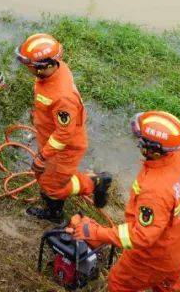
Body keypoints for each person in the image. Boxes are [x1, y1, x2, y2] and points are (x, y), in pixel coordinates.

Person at [68, 111, 180, 292]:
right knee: (167, 284)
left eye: (142, 140)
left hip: (154, 257)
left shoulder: (155, 190)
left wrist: (97, 233)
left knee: (119, 283)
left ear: (154, 149)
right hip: (179, 247)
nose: (139, 143)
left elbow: (141, 236)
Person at [17, 33, 111, 222]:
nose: (28, 69)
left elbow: (63, 134)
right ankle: (90, 182)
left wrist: (43, 156)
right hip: (49, 139)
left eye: (31, 66)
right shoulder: (54, 71)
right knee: (46, 177)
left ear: (46, 66)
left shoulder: (63, 98)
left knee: (52, 186)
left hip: (64, 148)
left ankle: (59, 211)